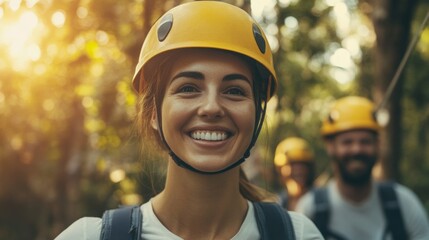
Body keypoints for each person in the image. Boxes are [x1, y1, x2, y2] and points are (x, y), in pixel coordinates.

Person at [55, 1, 323, 239]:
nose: (211, 107)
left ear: (256, 113)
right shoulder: (89, 236)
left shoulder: (298, 235)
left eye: (234, 91)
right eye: (188, 88)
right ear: (152, 113)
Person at [295, 96, 429, 240]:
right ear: (330, 147)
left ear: (377, 145)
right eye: (347, 142)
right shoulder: (310, 210)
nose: (357, 150)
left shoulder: (404, 205)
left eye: (365, 141)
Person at [274, 137, 315, 210]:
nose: (299, 171)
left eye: (303, 164)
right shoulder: (276, 204)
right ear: (280, 169)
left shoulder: (320, 202)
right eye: (292, 165)